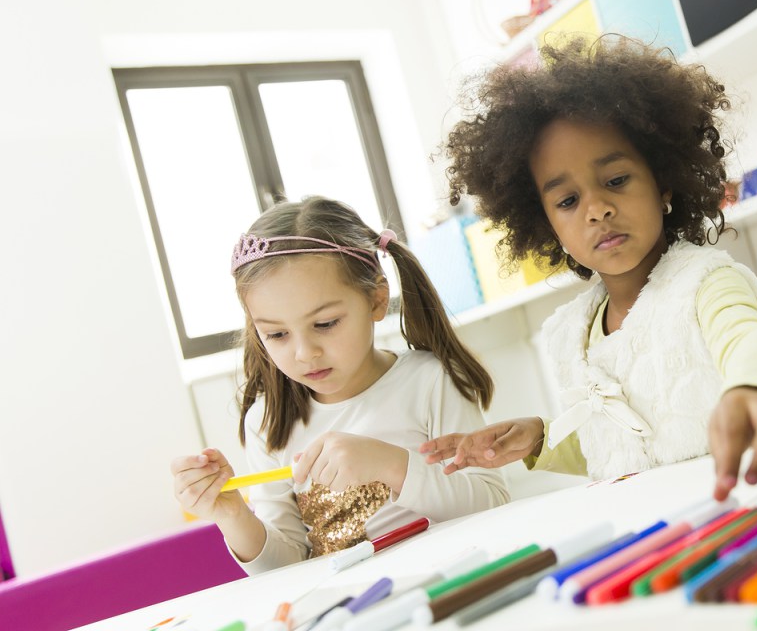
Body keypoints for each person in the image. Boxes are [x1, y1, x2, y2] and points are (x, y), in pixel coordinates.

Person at [422, 36, 757, 501]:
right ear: (546, 223)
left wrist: (754, 391)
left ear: (664, 183)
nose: (596, 209)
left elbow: (754, 341)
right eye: (567, 201)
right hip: (676, 532)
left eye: (615, 181)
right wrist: (541, 439)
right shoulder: (569, 332)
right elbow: (618, 444)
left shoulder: (706, 284)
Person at [170, 197, 508, 573]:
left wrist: (391, 464)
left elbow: (492, 503)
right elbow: (284, 567)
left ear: (377, 300)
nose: (304, 353)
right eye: (277, 334)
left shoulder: (429, 381)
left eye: (325, 323)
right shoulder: (266, 422)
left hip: (450, 583)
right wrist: (232, 515)